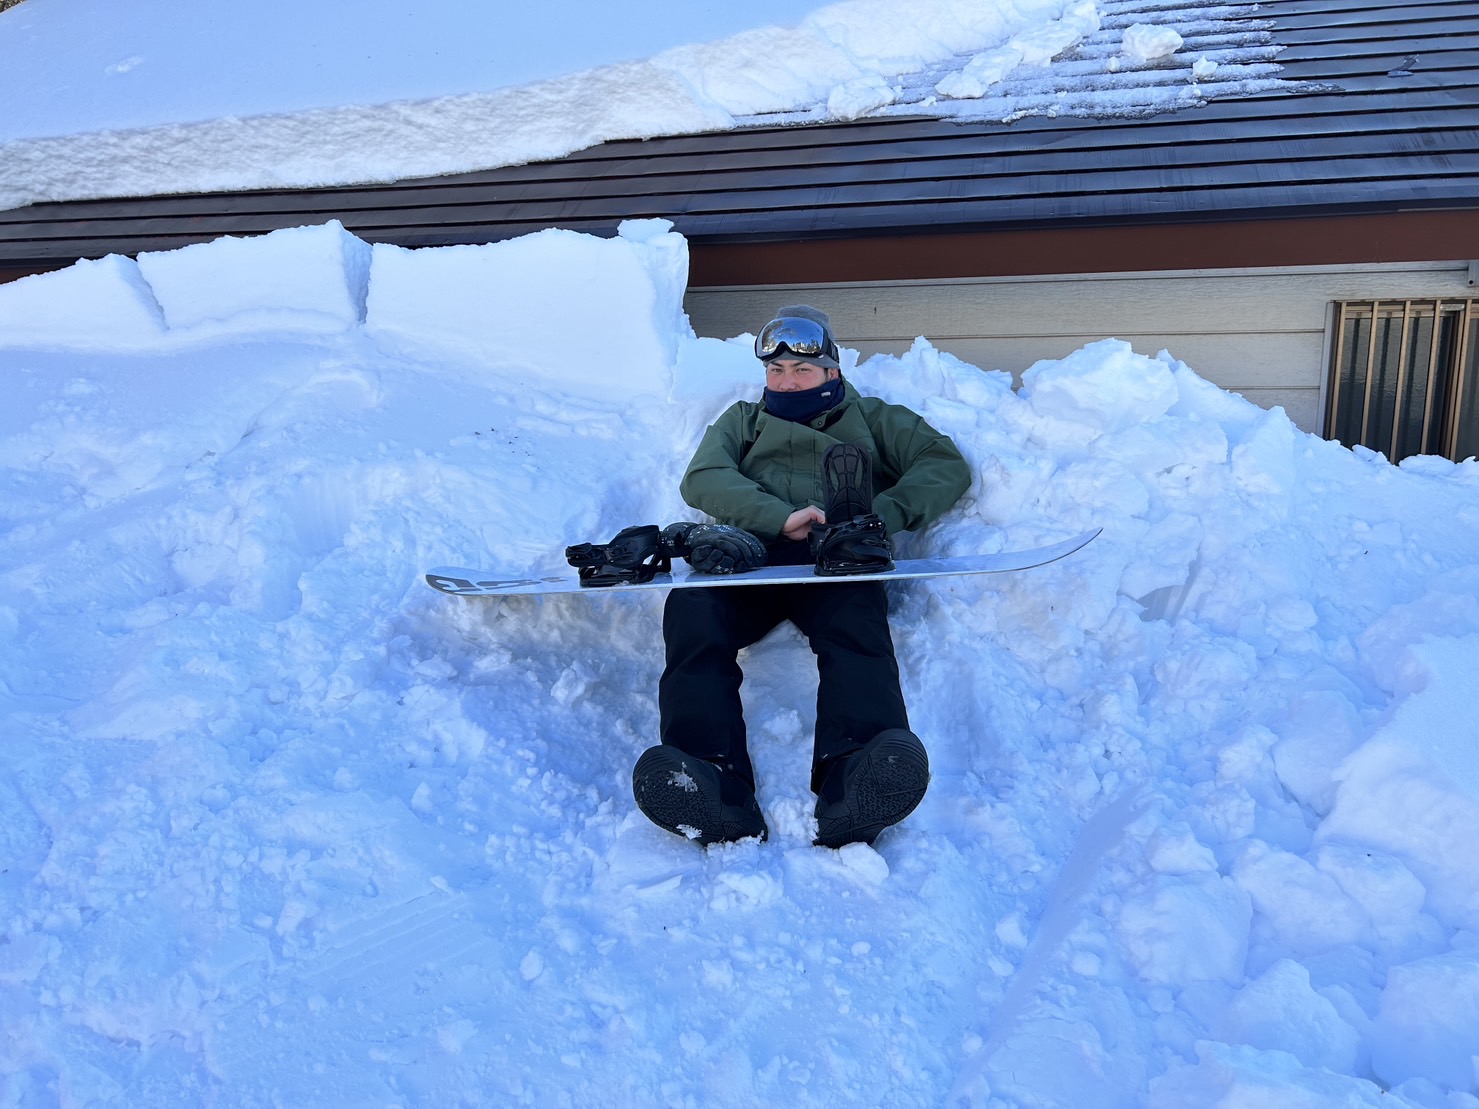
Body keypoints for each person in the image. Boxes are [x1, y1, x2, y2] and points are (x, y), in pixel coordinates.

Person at [631, 305, 972, 848]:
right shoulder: (743, 420)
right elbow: (704, 478)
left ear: (831, 371)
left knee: (855, 623)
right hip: (750, 556)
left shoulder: (876, 418)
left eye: (802, 371)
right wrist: (776, 517)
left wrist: (874, 520)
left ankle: (855, 777)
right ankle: (709, 777)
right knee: (693, 610)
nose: (786, 382)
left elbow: (943, 463)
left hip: (837, 558)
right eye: (776, 371)